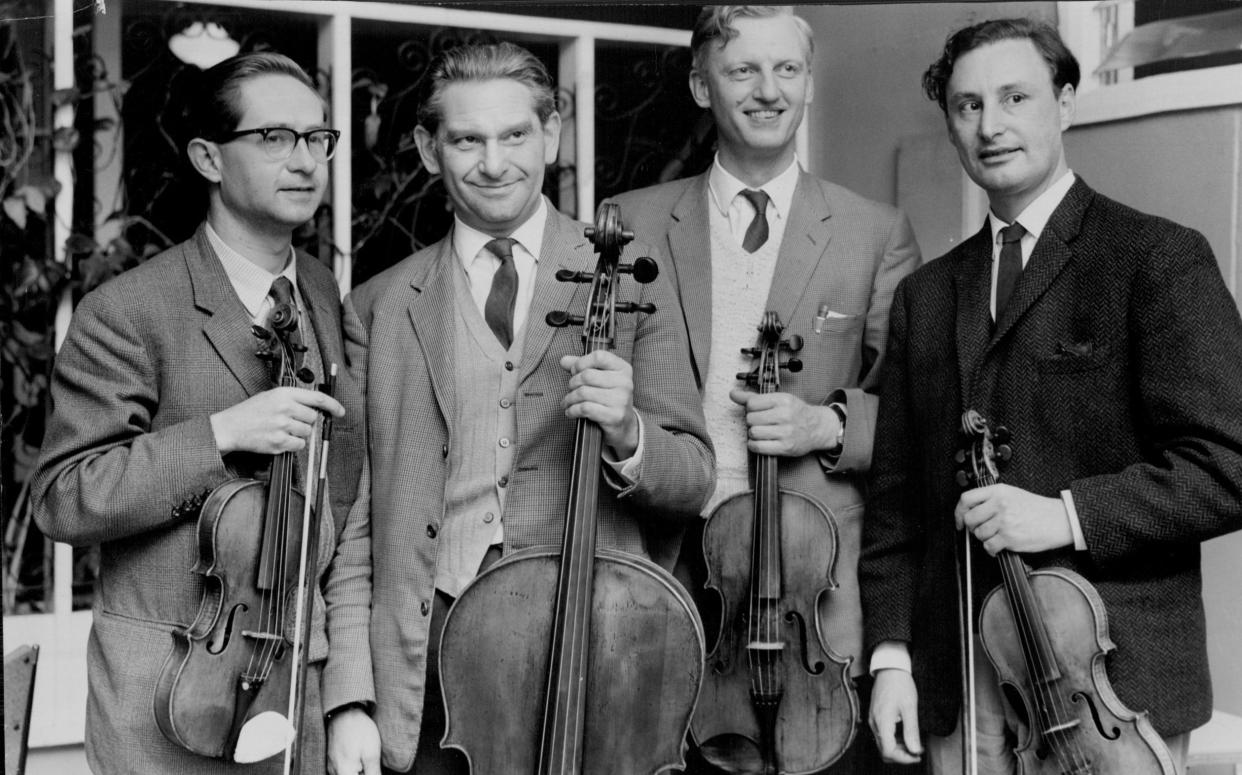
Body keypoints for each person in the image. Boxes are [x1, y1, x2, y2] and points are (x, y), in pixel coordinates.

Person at [860, 17, 1242, 775]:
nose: (991, 126)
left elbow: (1229, 465)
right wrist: (891, 656)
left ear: (1065, 103)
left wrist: (1064, 512)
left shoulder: (1156, 258)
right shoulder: (926, 296)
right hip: (960, 679)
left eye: (1015, 97)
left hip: (1109, 685)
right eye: (968, 106)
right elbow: (896, 500)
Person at [321, 42, 714, 775]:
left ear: (553, 135)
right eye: (467, 139)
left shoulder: (635, 279)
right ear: (428, 149)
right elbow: (355, 522)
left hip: (600, 651)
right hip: (431, 665)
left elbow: (692, 477)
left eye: (515, 135)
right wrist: (349, 696)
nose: (494, 163)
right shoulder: (378, 306)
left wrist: (629, 432)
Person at [31, 52, 364, 774]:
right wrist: (223, 433)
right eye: (274, 138)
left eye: (317, 139)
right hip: (167, 694)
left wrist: (342, 692)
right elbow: (63, 497)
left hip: (295, 687)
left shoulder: (322, 293)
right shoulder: (126, 310)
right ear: (209, 158)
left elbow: (341, 498)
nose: (304, 160)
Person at [611, 6, 920, 773]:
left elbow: (918, 420)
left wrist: (826, 425)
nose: (768, 90)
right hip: (676, 578)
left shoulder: (875, 231)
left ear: (809, 83)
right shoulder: (634, 224)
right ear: (699, 83)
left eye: (787, 69)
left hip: (815, 597)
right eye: (742, 69)